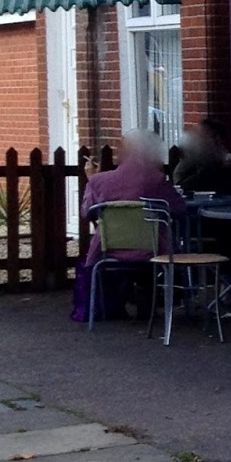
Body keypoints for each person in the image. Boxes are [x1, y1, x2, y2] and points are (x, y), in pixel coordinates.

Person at [70, 130, 189, 323]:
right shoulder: (157, 180)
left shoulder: (100, 181)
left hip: (108, 251)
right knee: (154, 256)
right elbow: (179, 209)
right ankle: (148, 309)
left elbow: (86, 212)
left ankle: (112, 305)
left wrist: (93, 179)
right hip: (152, 250)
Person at [173, 117, 231, 199]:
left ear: (216, 140)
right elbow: (180, 186)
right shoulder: (195, 161)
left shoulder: (229, 166)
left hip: (224, 213)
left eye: (202, 136)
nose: (197, 140)